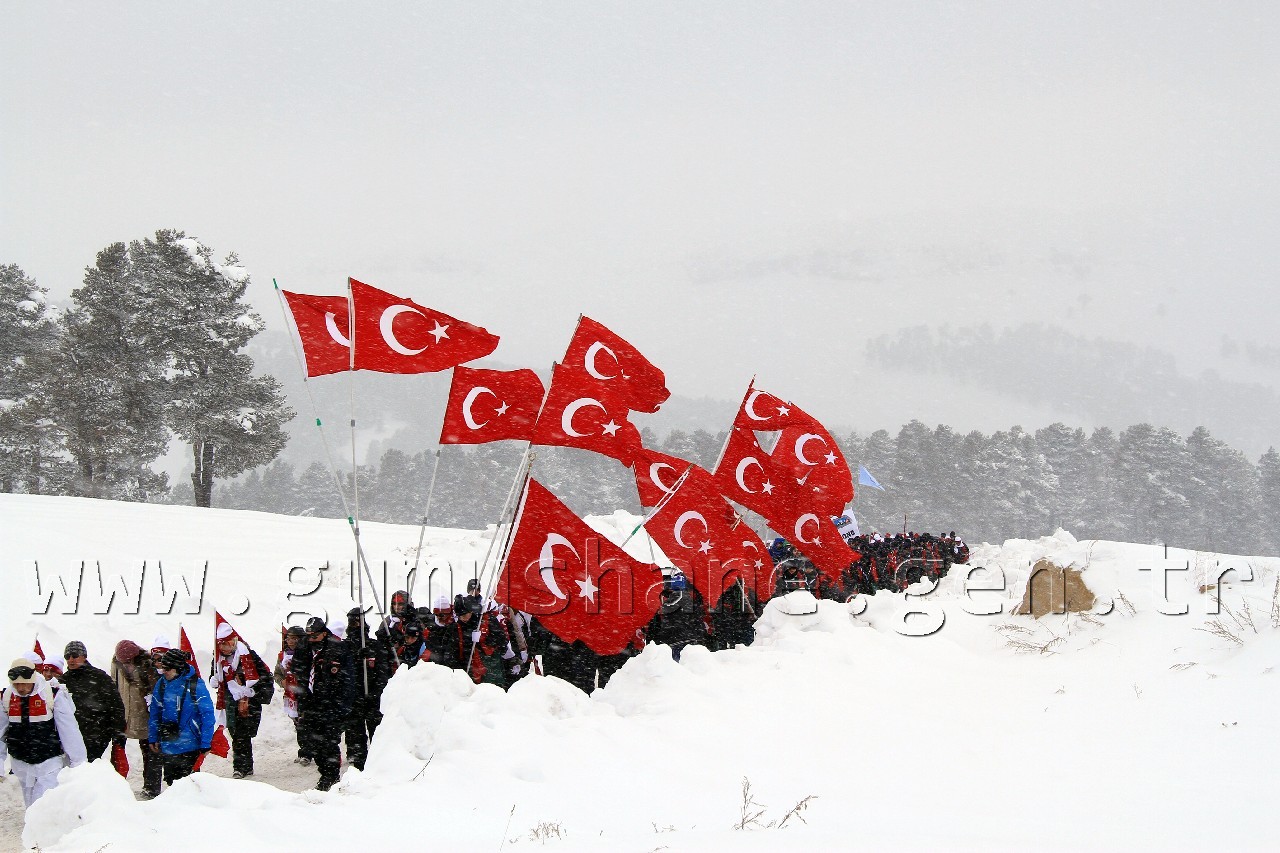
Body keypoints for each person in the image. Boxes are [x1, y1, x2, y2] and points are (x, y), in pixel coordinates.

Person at [0, 658, 87, 807]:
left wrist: (78, 762)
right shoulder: (6, 698)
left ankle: (45, 828)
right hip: (21, 763)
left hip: (49, 762)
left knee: (42, 804)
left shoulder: (52, 695)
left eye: (24, 683)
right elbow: (1, 732)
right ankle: (36, 829)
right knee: (31, 807)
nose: (20, 688)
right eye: (16, 684)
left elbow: (69, 729)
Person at [297, 617, 354, 791]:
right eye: (308, 636)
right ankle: (324, 772)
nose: (311, 639)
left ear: (323, 633)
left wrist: (343, 706)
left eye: (314, 636)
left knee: (329, 743)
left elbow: (348, 680)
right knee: (313, 742)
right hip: (310, 703)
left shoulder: (337, 648)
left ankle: (331, 777)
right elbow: (299, 673)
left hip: (331, 704)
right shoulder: (304, 649)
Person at [147, 648, 215, 788]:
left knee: (190, 786)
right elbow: (155, 712)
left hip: (190, 745)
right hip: (169, 743)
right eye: (163, 668)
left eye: (167, 669)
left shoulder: (195, 685)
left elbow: (207, 715)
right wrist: (153, 736)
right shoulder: (162, 684)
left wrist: (206, 742)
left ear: (177, 668)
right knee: (172, 785)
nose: (163, 671)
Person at [209, 623, 265, 779]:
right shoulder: (218, 659)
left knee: (242, 734)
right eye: (220, 644)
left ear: (233, 642)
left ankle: (240, 767)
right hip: (229, 702)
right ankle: (246, 765)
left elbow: (264, 677)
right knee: (236, 734)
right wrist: (213, 679)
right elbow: (214, 676)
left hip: (248, 702)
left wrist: (252, 690)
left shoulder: (248, 656)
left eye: (226, 644)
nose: (223, 648)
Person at [58, 641, 125, 763]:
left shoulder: (99, 677)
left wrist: (118, 735)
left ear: (84, 656)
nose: (71, 659)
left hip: (96, 735)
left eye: (74, 655)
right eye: (67, 657)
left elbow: (116, 706)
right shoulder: (63, 681)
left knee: (89, 770)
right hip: (71, 737)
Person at [342, 608, 391, 772]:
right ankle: (358, 766)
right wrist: (356, 658)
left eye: (357, 621)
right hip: (353, 698)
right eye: (352, 621)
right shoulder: (345, 647)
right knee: (355, 735)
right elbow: (343, 672)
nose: (355, 625)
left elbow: (383, 671)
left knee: (376, 733)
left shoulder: (374, 646)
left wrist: (376, 693)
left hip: (372, 697)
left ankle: (379, 764)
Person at [112, 639, 162, 798]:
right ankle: (114, 785)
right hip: (122, 714)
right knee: (117, 752)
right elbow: (114, 685)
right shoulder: (116, 663)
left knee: (150, 752)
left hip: (143, 715)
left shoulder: (147, 665)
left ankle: (151, 788)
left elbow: (154, 689)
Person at [274, 626, 312, 766]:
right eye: (288, 638)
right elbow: (277, 673)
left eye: (294, 638)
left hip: (305, 692)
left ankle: (308, 752)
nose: (290, 641)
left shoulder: (307, 653)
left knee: (306, 721)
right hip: (291, 694)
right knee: (298, 723)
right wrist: (282, 681)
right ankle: (303, 750)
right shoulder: (283, 655)